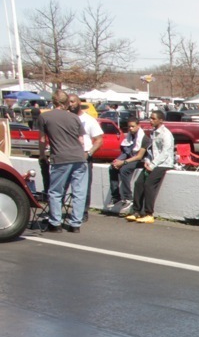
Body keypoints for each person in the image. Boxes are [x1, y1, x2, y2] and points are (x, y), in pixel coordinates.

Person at [37, 89, 87, 233]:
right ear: (66, 102)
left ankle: (55, 222)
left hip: (60, 158)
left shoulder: (45, 117)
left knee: (56, 191)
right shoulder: (75, 118)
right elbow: (81, 140)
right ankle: (75, 224)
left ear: (53, 102)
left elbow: (42, 140)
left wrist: (42, 155)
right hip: (78, 157)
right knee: (79, 191)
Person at [129, 110, 174, 224]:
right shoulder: (153, 132)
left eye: (153, 119)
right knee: (138, 183)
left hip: (163, 164)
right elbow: (151, 150)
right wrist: (148, 161)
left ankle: (149, 213)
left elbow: (165, 152)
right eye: (150, 118)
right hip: (153, 162)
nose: (151, 120)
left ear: (161, 120)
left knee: (149, 184)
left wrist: (153, 165)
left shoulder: (166, 134)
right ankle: (137, 211)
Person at [69, 94, 103, 222]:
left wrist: (88, 153)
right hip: (68, 156)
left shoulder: (89, 120)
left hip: (83, 157)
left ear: (79, 102)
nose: (70, 104)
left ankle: (82, 212)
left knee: (83, 187)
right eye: (68, 102)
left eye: (73, 101)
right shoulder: (66, 119)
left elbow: (99, 140)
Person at [109, 118, 148, 215]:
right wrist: (117, 161)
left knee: (124, 170)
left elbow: (139, 156)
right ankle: (115, 197)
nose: (130, 129)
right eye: (129, 126)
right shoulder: (129, 138)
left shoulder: (144, 138)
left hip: (141, 161)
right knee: (112, 168)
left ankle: (128, 198)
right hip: (130, 159)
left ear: (138, 126)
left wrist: (123, 163)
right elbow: (125, 152)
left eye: (133, 126)